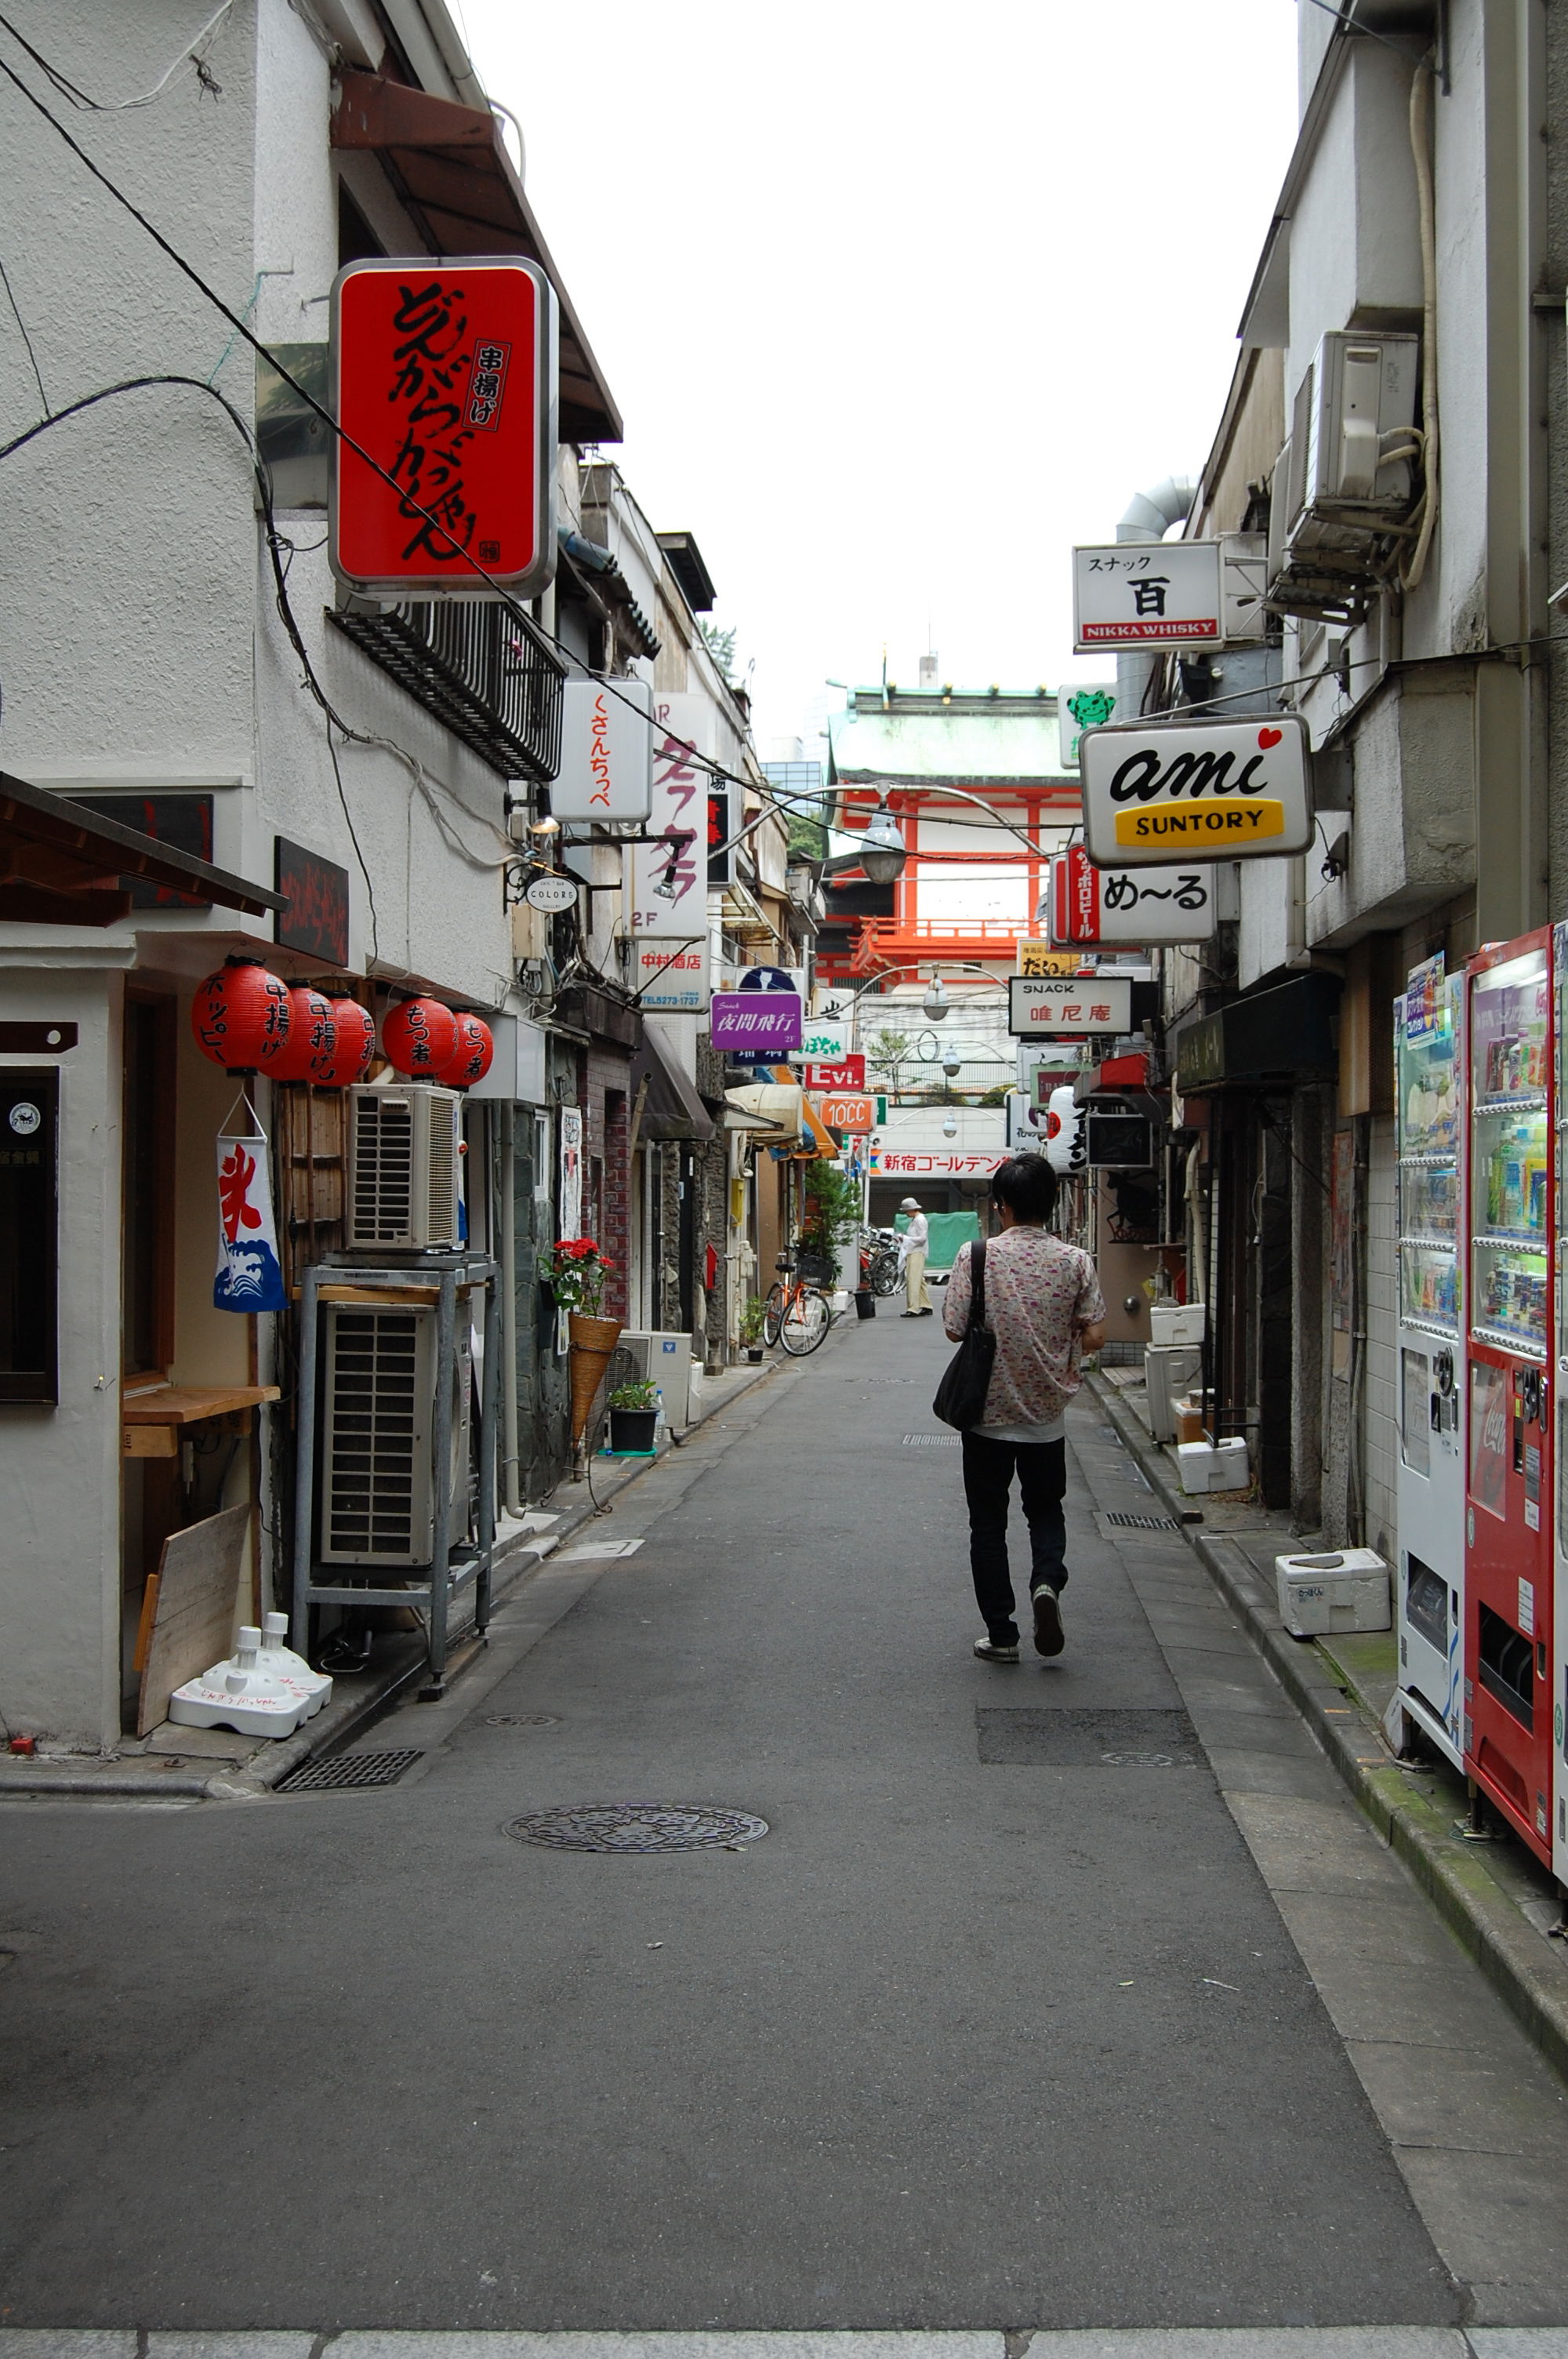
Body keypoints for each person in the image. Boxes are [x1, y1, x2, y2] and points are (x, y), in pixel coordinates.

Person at [942, 1154, 1105, 1664]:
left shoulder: (977, 1256)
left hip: (986, 1414)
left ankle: (1003, 1635)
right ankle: (1046, 1583)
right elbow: (1097, 1334)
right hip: (1045, 1417)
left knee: (988, 1524)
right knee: (1045, 1510)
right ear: (1052, 1204)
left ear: (1001, 1206)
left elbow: (952, 1326)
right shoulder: (1076, 1261)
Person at [897, 1195, 933, 1317]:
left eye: (907, 1211)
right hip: (914, 1250)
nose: (906, 1213)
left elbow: (922, 1238)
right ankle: (926, 1305)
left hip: (917, 1251)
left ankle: (913, 1308)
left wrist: (906, 1238)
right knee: (919, 1279)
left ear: (912, 1209)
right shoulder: (916, 1219)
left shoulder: (920, 1220)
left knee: (913, 1279)